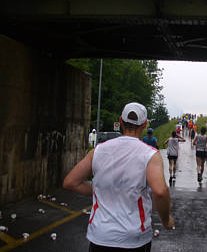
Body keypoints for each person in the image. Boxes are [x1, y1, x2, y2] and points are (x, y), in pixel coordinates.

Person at [63, 102, 174, 251]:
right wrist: (166, 220)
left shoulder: (98, 151)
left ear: (120, 121)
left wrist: (99, 189)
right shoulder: (150, 154)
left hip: (100, 236)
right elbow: (160, 191)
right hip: (134, 238)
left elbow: (70, 182)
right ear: (145, 125)